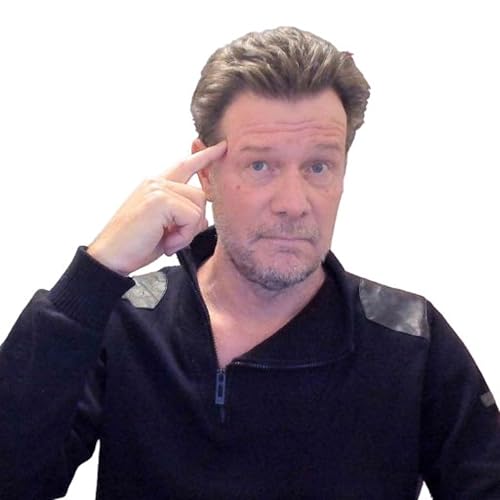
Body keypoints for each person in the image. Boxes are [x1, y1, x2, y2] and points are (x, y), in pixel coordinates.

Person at [0, 26, 499, 499]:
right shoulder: (125, 320)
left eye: (318, 166)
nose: (293, 203)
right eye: (260, 165)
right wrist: (97, 272)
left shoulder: (409, 338)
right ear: (207, 173)